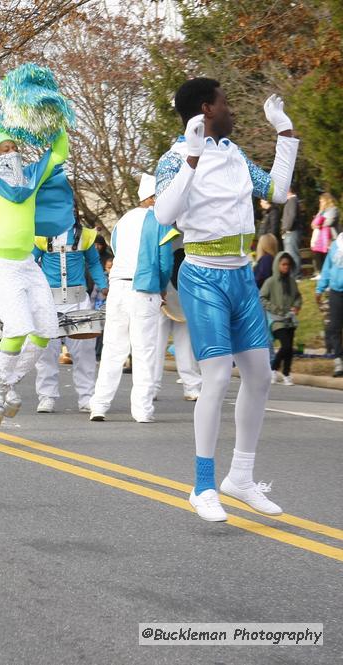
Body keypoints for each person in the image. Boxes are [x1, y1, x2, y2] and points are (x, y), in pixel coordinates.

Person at [154, 77, 298, 521]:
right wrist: (192, 161)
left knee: (260, 376)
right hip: (202, 276)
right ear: (206, 108)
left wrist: (286, 136)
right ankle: (202, 486)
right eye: (227, 102)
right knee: (216, 379)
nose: (233, 110)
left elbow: (274, 191)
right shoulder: (174, 158)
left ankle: (241, 477)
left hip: (239, 276)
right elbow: (163, 214)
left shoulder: (233, 154)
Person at [0, 122, 72, 425]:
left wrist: (55, 118)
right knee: (18, 327)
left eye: (14, 148)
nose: (12, 154)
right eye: (4, 150)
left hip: (27, 267)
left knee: (45, 331)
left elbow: (59, 152)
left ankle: (5, 384)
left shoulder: (31, 179)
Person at [88, 174, 173, 423]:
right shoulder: (160, 221)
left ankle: (99, 405)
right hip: (144, 290)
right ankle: (142, 410)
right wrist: (163, 288)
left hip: (118, 288)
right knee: (144, 350)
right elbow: (165, 261)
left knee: (113, 348)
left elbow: (116, 249)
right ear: (153, 197)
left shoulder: (123, 221)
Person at [29, 217, 108, 413]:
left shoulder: (87, 235)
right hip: (49, 302)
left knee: (85, 352)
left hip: (78, 300)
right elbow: (29, 263)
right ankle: (46, 396)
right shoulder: (40, 235)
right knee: (47, 352)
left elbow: (94, 264)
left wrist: (104, 285)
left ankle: (86, 397)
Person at [153, 240, 202, 401]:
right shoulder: (159, 227)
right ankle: (150, 386)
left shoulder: (191, 228)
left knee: (186, 344)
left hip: (184, 293)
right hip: (159, 292)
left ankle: (192, 386)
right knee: (155, 344)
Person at [261, 252, 302, 385]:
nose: (286, 267)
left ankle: (286, 374)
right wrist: (274, 308)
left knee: (289, 349)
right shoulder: (270, 282)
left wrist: (296, 306)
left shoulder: (291, 281)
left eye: (288, 265)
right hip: (276, 320)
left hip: (290, 320)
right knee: (285, 345)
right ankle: (274, 368)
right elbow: (262, 298)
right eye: (283, 264)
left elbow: (298, 297)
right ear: (277, 265)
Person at [315, 232, 343, 377]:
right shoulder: (335, 245)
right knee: (334, 327)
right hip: (336, 292)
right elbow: (327, 269)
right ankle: (339, 360)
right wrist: (319, 289)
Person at [311, 192, 338, 278]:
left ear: (327, 200)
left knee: (329, 256)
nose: (320, 203)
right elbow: (313, 223)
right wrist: (320, 211)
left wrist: (318, 224)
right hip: (320, 238)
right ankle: (321, 273)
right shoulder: (322, 211)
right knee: (318, 254)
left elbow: (328, 222)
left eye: (322, 201)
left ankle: (330, 275)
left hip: (331, 237)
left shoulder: (333, 209)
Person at [280, 186, 301, 276]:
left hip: (291, 232)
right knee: (290, 254)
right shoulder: (290, 201)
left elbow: (292, 216)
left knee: (293, 254)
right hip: (289, 232)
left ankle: (296, 274)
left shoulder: (292, 200)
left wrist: (286, 228)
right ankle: (293, 274)